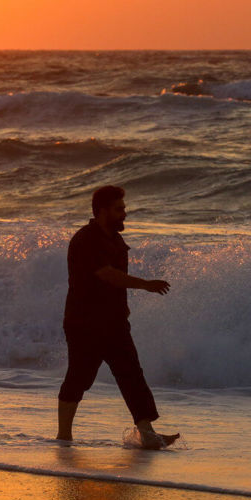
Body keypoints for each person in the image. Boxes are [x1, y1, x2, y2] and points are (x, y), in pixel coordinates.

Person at [57, 185, 179, 449]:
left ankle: (147, 434)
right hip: (84, 322)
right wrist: (145, 284)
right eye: (119, 209)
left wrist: (123, 308)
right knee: (79, 378)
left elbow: (114, 282)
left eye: (124, 208)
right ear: (102, 211)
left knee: (132, 374)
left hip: (113, 322)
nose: (125, 213)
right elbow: (108, 275)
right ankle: (63, 435)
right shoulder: (86, 239)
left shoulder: (114, 239)